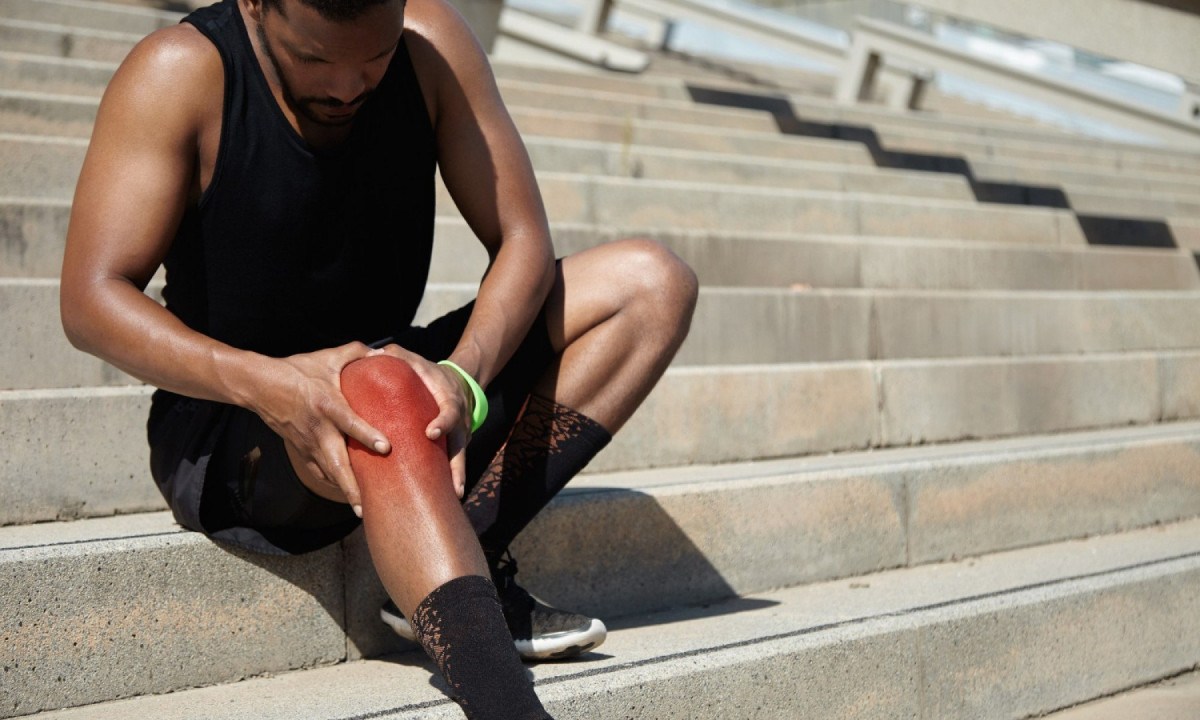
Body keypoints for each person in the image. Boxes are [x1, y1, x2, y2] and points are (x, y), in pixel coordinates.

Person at [60, 0, 697, 716]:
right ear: (254, 5)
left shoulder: (432, 43)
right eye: (313, 59)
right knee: (380, 382)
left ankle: (464, 557)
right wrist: (271, 384)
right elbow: (91, 298)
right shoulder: (179, 71)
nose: (346, 87)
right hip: (238, 420)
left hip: (395, 376)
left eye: (374, 59)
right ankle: (503, 702)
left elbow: (522, 237)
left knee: (651, 283)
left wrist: (464, 373)